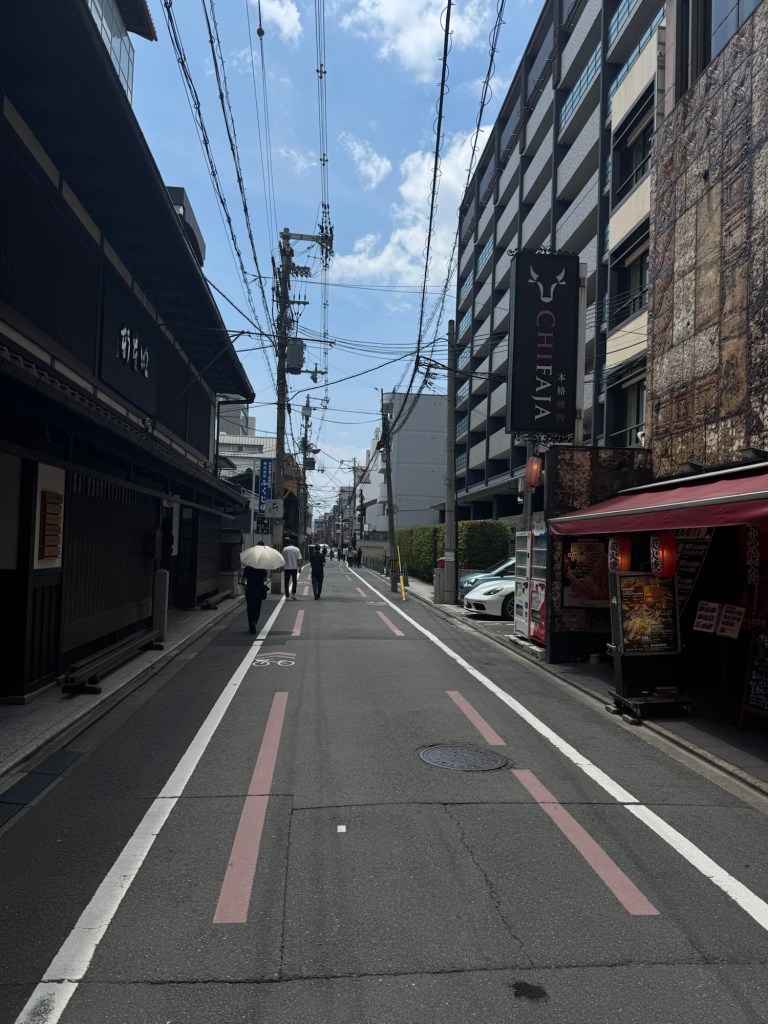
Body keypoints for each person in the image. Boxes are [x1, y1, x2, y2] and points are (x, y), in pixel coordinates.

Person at [242, 564, 267, 635]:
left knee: (250, 609)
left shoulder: (247, 569)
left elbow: (243, 580)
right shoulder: (262, 569)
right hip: (259, 591)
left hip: (249, 591)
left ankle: (251, 626)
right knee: (257, 609)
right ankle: (254, 622)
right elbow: (265, 579)